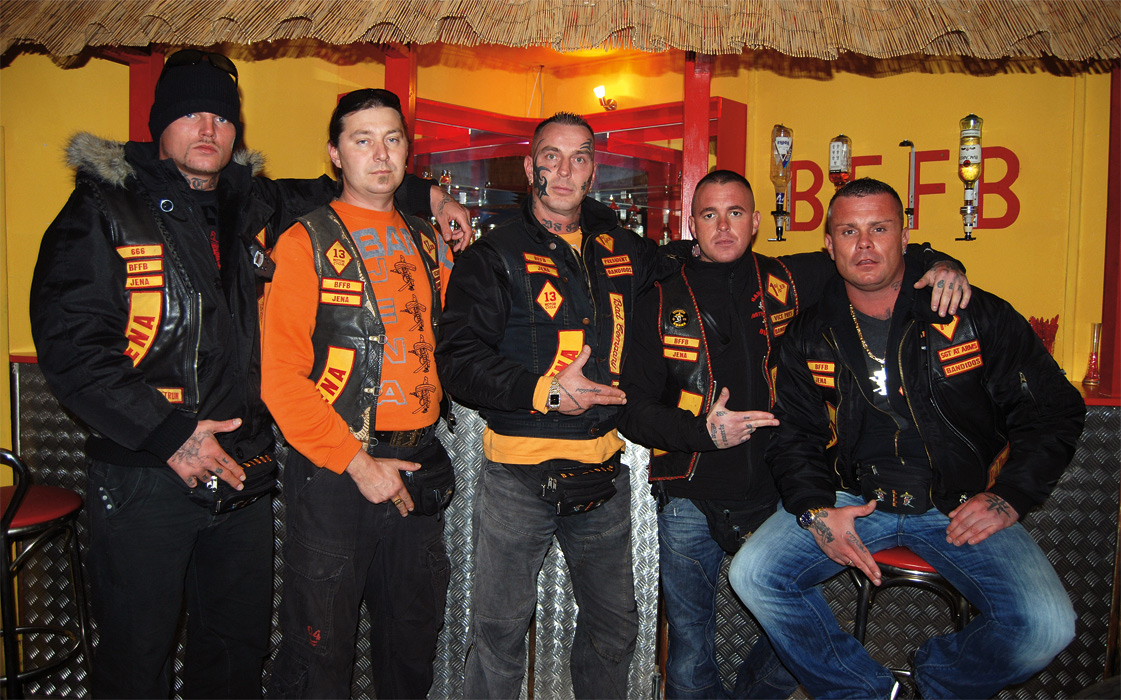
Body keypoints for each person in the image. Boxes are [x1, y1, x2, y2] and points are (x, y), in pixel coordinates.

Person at [28, 51, 467, 699]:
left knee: (236, 652)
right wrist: (168, 434)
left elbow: (355, 182)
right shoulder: (105, 207)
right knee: (137, 656)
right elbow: (72, 348)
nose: (207, 128)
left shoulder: (251, 200)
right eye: (189, 114)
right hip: (146, 471)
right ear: (158, 123)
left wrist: (432, 194)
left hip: (241, 473)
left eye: (221, 116)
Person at [616, 170, 970, 700]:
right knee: (688, 651)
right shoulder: (659, 299)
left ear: (756, 221)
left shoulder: (791, 277)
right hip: (688, 493)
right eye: (710, 215)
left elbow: (874, 252)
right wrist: (702, 432)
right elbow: (632, 410)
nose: (724, 227)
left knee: (797, 638)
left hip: (781, 493)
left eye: (735, 213)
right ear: (693, 225)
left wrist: (944, 265)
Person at [728, 178, 1084, 699]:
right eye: (848, 231)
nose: (864, 244)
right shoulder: (809, 332)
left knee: (1046, 628)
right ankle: (866, 693)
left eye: (879, 228)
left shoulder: (970, 314)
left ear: (905, 235)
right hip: (852, 498)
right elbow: (794, 435)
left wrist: (1010, 496)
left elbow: (1053, 411)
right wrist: (815, 509)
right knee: (754, 575)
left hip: (954, 503)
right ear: (829, 244)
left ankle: (936, 681)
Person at [435, 111, 680, 698]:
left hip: (602, 474)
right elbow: (459, 361)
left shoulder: (622, 248)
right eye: (551, 156)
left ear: (594, 171)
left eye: (579, 158)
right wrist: (545, 391)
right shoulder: (494, 255)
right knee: (498, 635)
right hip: (518, 477)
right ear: (529, 167)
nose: (565, 170)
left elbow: (696, 270)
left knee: (615, 630)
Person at [261, 88, 456, 699]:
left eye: (392, 139)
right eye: (362, 140)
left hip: (417, 466)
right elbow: (280, 377)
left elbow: (454, 342)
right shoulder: (305, 241)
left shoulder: (428, 241)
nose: (380, 153)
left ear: (407, 151)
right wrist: (357, 463)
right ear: (335, 154)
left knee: (411, 650)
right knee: (319, 652)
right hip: (335, 474)